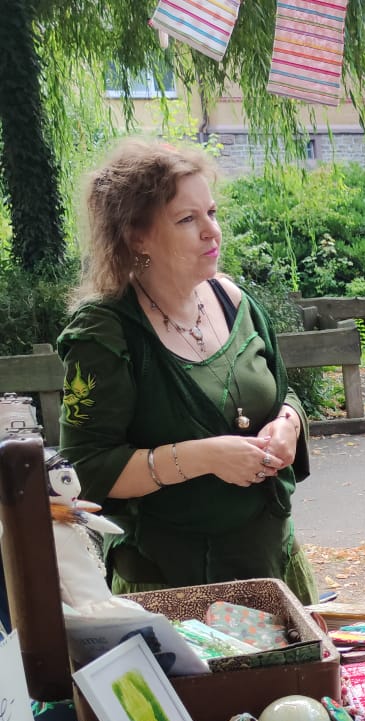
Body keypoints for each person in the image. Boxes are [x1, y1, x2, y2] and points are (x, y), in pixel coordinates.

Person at [57, 139, 315, 601]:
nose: (212, 232)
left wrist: (288, 425)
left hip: (272, 565)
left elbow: (283, 395)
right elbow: (85, 469)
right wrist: (205, 457)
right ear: (136, 236)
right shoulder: (105, 332)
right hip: (170, 586)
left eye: (211, 212)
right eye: (187, 219)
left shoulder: (233, 301)